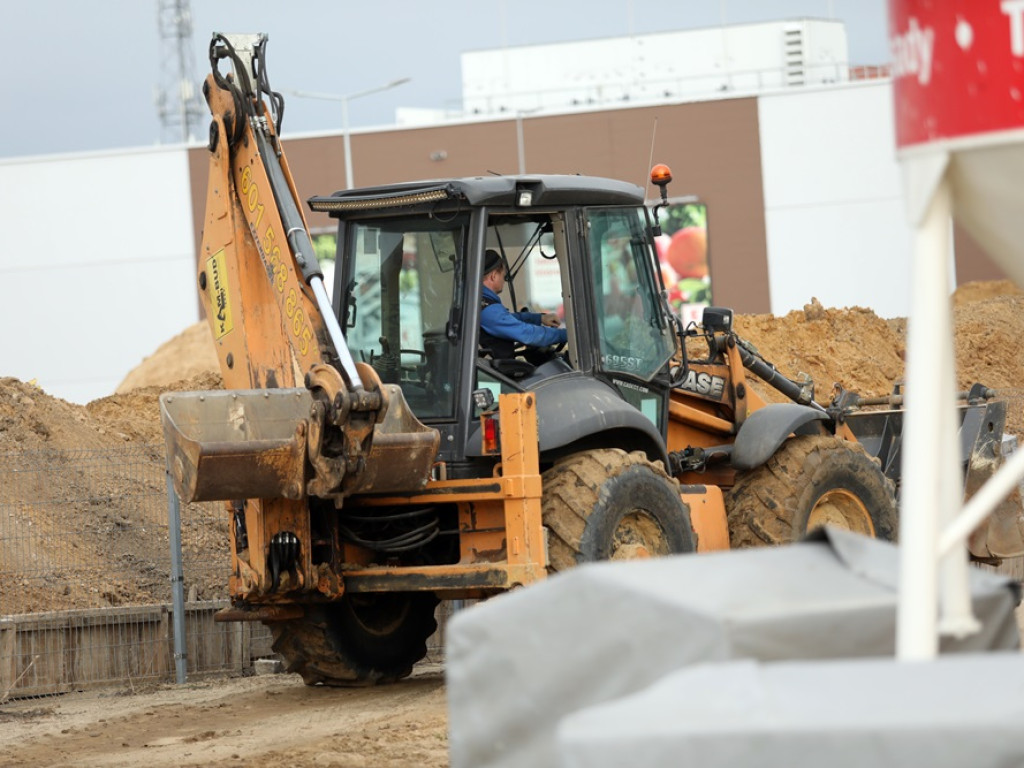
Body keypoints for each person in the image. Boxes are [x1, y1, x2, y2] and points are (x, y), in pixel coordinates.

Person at [479, 249, 567, 360]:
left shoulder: (482, 304)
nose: (504, 281)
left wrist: (540, 318)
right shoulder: (487, 310)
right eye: (503, 276)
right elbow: (528, 334)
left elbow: (508, 319)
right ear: (494, 276)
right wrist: (565, 335)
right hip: (495, 371)